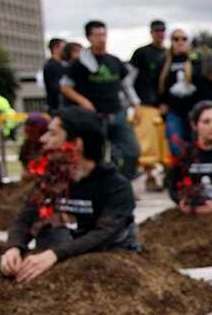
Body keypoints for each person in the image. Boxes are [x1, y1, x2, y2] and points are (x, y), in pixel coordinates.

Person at [1, 107, 138, 284]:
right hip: (61, 254)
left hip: (106, 266)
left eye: (52, 134)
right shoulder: (51, 180)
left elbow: (105, 233)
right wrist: (14, 247)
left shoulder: (116, 186)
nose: (43, 139)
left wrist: (54, 255)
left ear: (76, 144)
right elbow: (27, 216)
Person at [60, 20, 141, 180]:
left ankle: (124, 182)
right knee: (98, 155)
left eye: (104, 34)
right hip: (95, 116)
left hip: (117, 112)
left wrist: (136, 104)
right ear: (89, 37)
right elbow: (65, 87)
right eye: (97, 35)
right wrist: (84, 102)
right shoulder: (80, 63)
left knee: (132, 150)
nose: (102, 39)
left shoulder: (114, 61)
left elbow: (126, 86)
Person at [158, 28, 212, 155]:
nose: (180, 42)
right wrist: (161, 102)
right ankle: (182, 166)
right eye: (176, 39)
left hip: (197, 111)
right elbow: (159, 85)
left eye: (184, 39)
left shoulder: (199, 59)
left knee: (199, 144)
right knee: (176, 146)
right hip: (175, 111)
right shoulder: (164, 62)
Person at [129, 19, 170, 191]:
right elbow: (129, 80)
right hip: (145, 104)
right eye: (157, 31)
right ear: (151, 32)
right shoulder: (141, 53)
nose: (160, 34)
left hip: (164, 106)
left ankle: (168, 176)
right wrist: (135, 102)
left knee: (166, 145)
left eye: (162, 31)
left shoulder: (168, 54)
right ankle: (149, 177)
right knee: (147, 146)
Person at [42, 37, 67, 113]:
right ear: (55, 48)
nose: (67, 51)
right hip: (57, 108)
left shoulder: (63, 64)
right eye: (64, 48)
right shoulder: (51, 65)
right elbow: (55, 87)